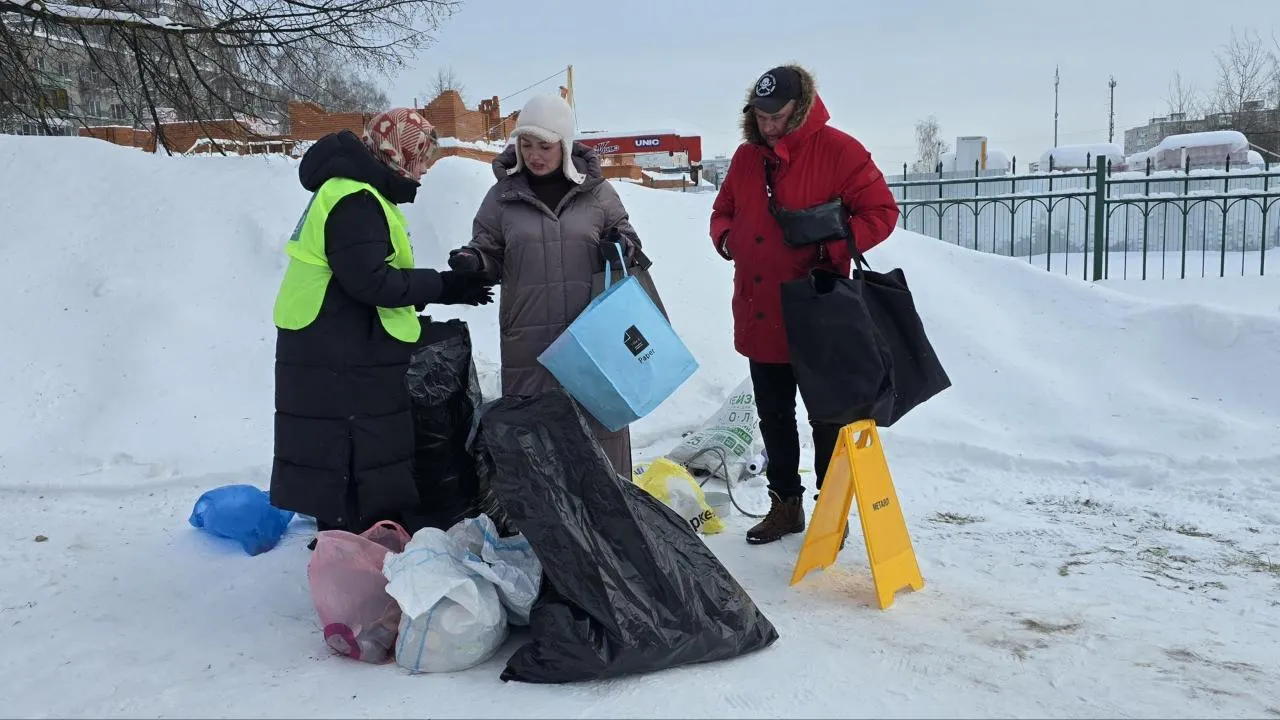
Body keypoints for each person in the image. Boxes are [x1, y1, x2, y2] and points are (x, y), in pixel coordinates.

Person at [270, 108, 495, 537]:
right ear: (398, 154)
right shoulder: (355, 199)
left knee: (357, 450)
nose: (425, 169)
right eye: (421, 157)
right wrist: (445, 286)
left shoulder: (359, 192)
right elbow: (371, 281)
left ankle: (355, 538)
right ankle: (351, 546)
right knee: (349, 451)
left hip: (339, 343)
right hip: (335, 352)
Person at [709, 64, 900, 545]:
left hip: (817, 308)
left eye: (776, 115)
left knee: (826, 418)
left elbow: (881, 211)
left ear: (800, 109)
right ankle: (784, 506)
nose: (767, 124)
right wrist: (727, 239)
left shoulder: (840, 151)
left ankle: (829, 514)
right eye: (760, 115)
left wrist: (832, 246)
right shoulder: (746, 158)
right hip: (759, 304)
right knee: (773, 413)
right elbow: (724, 209)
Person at [447, 93, 643, 478]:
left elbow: (631, 242)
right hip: (530, 343)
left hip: (592, 338)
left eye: (545, 145)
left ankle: (614, 522)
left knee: (599, 431)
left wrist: (621, 245)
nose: (534, 155)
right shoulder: (502, 197)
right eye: (526, 144)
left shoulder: (598, 193)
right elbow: (490, 250)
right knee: (537, 440)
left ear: (565, 145)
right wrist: (475, 262)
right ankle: (549, 530)